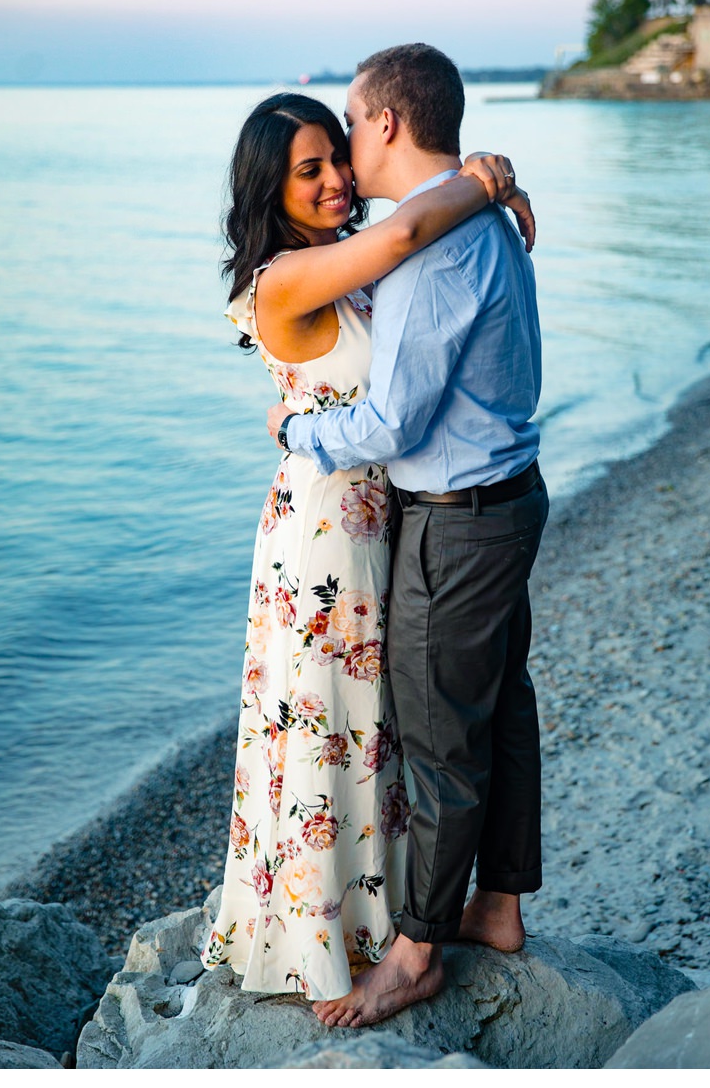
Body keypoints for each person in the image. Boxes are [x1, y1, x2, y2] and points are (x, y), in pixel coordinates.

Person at [202, 89, 526, 1003]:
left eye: (337, 160)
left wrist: (481, 187)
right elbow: (398, 237)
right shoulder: (283, 279)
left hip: (386, 516)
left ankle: (386, 913)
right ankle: (319, 931)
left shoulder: (338, 265)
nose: (338, 181)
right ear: (273, 188)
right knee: (330, 721)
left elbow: (404, 256)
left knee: (384, 723)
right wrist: (482, 177)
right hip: (328, 532)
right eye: (310, 171)